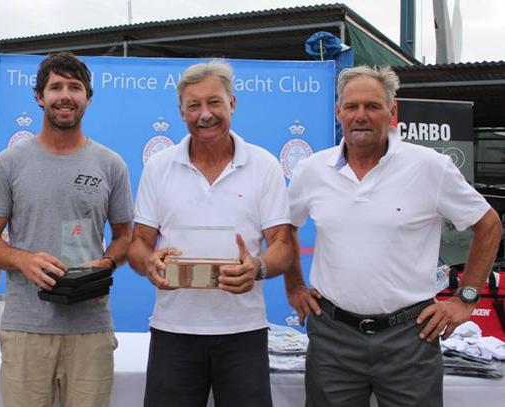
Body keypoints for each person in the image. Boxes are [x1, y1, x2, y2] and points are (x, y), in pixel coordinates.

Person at [286, 65, 503, 407]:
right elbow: (285, 227)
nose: (361, 116)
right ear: (338, 111)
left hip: (410, 337)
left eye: (372, 106)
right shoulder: (312, 170)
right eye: (352, 106)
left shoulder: (430, 166)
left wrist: (467, 297)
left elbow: (489, 224)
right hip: (332, 338)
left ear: (392, 111)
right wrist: (294, 286)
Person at [128, 60, 294, 407]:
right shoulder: (159, 167)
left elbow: (281, 244)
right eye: (194, 105)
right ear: (181, 111)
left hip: (243, 333)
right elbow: (139, 244)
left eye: (214, 102)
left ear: (232, 103)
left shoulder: (263, 165)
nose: (205, 114)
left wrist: (258, 268)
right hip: (173, 332)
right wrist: (149, 263)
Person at [0, 51, 133, 407]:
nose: (65, 95)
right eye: (56, 86)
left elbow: (126, 237)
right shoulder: (10, 162)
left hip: (90, 327)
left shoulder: (111, 164)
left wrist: (105, 264)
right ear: (39, 96)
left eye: (75, 87)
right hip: (26, 328)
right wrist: (22, 260)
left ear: (88, 98)